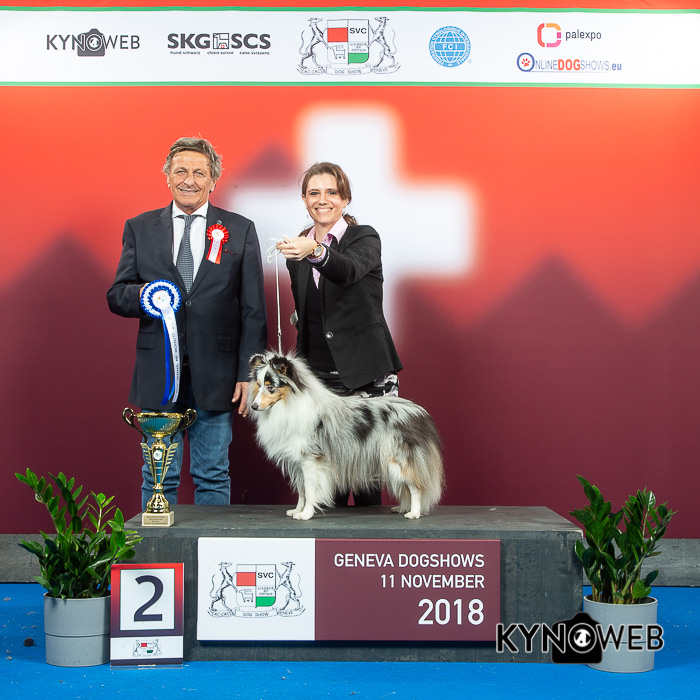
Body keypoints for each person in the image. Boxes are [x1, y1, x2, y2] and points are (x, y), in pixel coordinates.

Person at [107, 137, 267, 509]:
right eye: (180, 171)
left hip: (219, 375)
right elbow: (117, 294)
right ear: (167, 177)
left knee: (213, 474)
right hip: (158, 374)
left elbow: (253, 310)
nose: (189, 180)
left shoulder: (240, 229)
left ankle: (211, 548)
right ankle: (156, 545)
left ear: (213, 180)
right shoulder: (139, 228)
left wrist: (249, 372)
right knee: (158, 475)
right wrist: (148, 296)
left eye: (199, 172)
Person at [277, 162, 402, 506]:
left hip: (366, 373)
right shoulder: (297, 250)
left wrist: (315, 251)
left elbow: (348, 271)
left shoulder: (364, 238)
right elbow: (305, 311)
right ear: (304, 200)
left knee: (365, 478)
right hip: (317, 378)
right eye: (314, 193)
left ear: (345, 199)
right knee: (322, 474)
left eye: (331, 192)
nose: (323, 199)